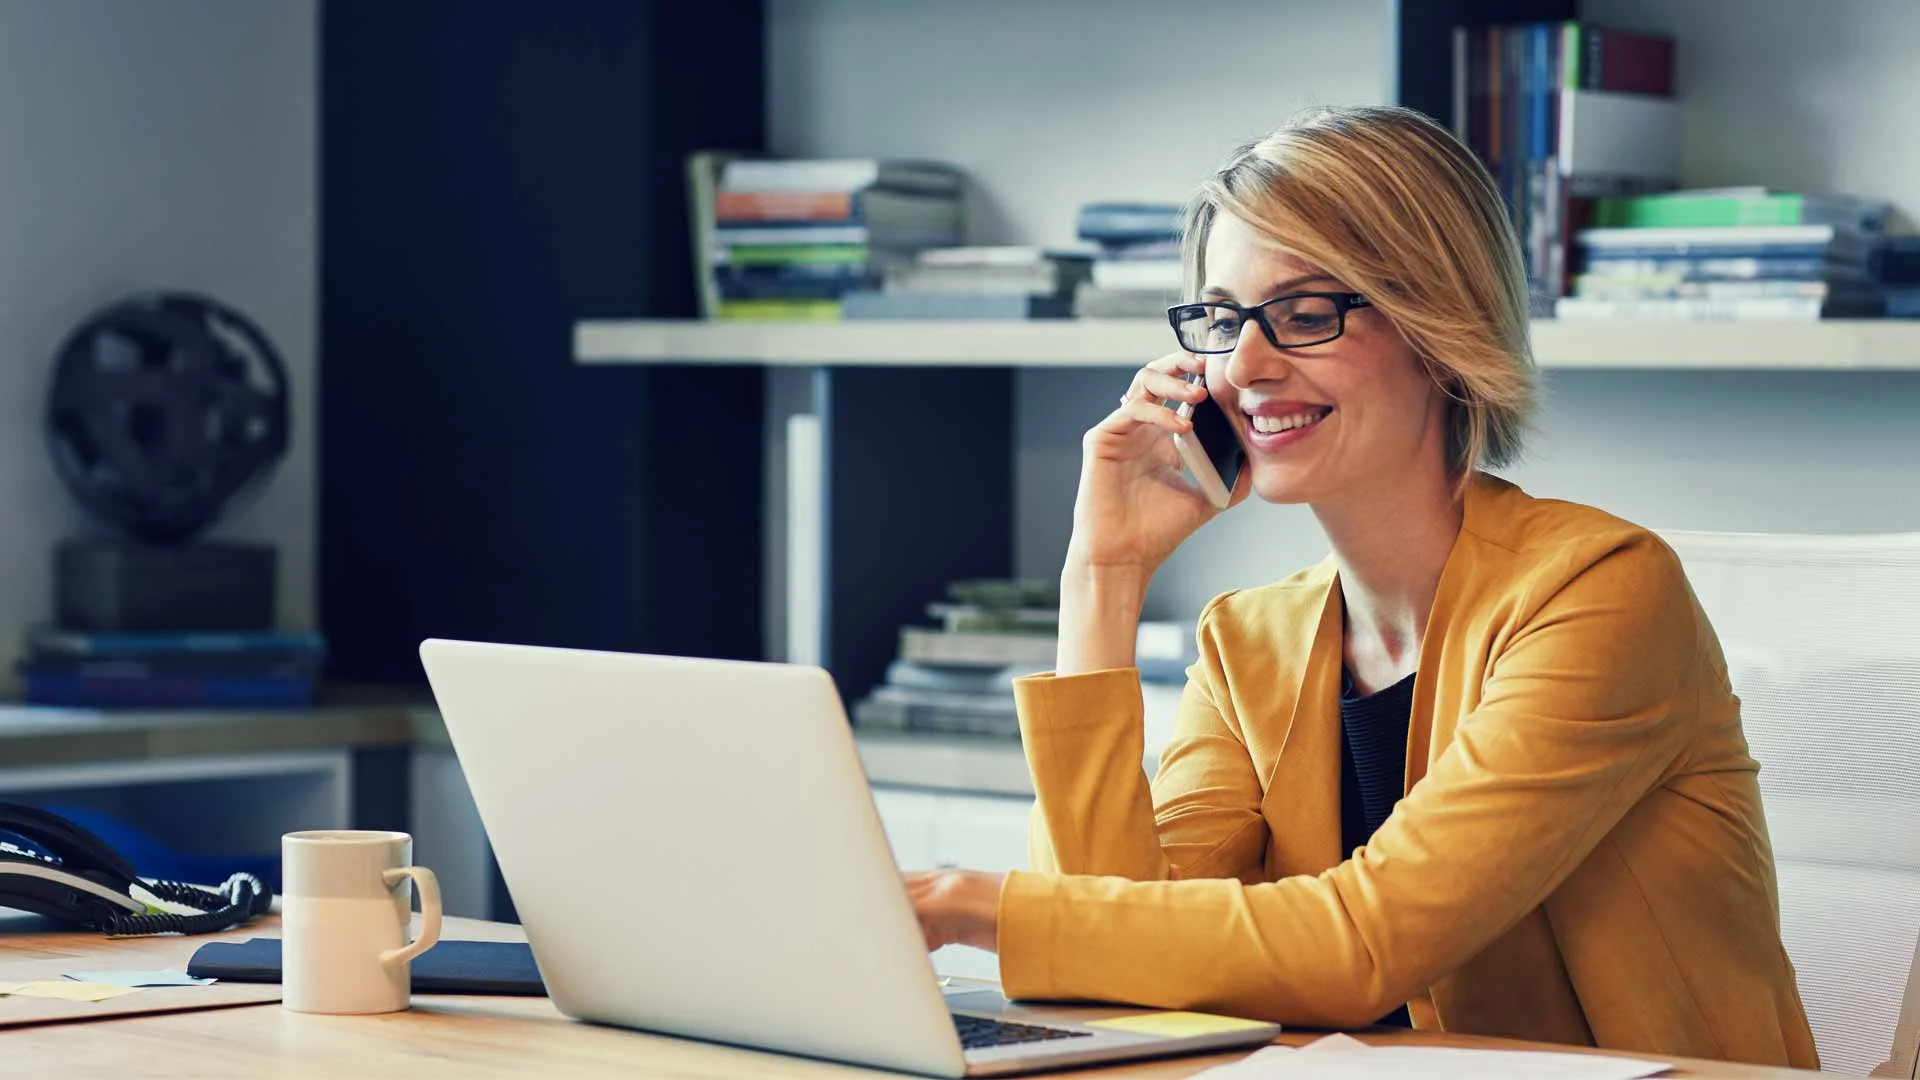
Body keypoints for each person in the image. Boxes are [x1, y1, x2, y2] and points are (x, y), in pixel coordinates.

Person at [903, 105, 1818, 1069]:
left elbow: (1364, 941)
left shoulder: (1601, 593)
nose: (1244, 366)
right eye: (1221, 319)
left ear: (1439, 325)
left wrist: (973, 904)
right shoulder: (1247, 642)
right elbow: (1109, 960)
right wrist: (1103, 573)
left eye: (1305, 314)